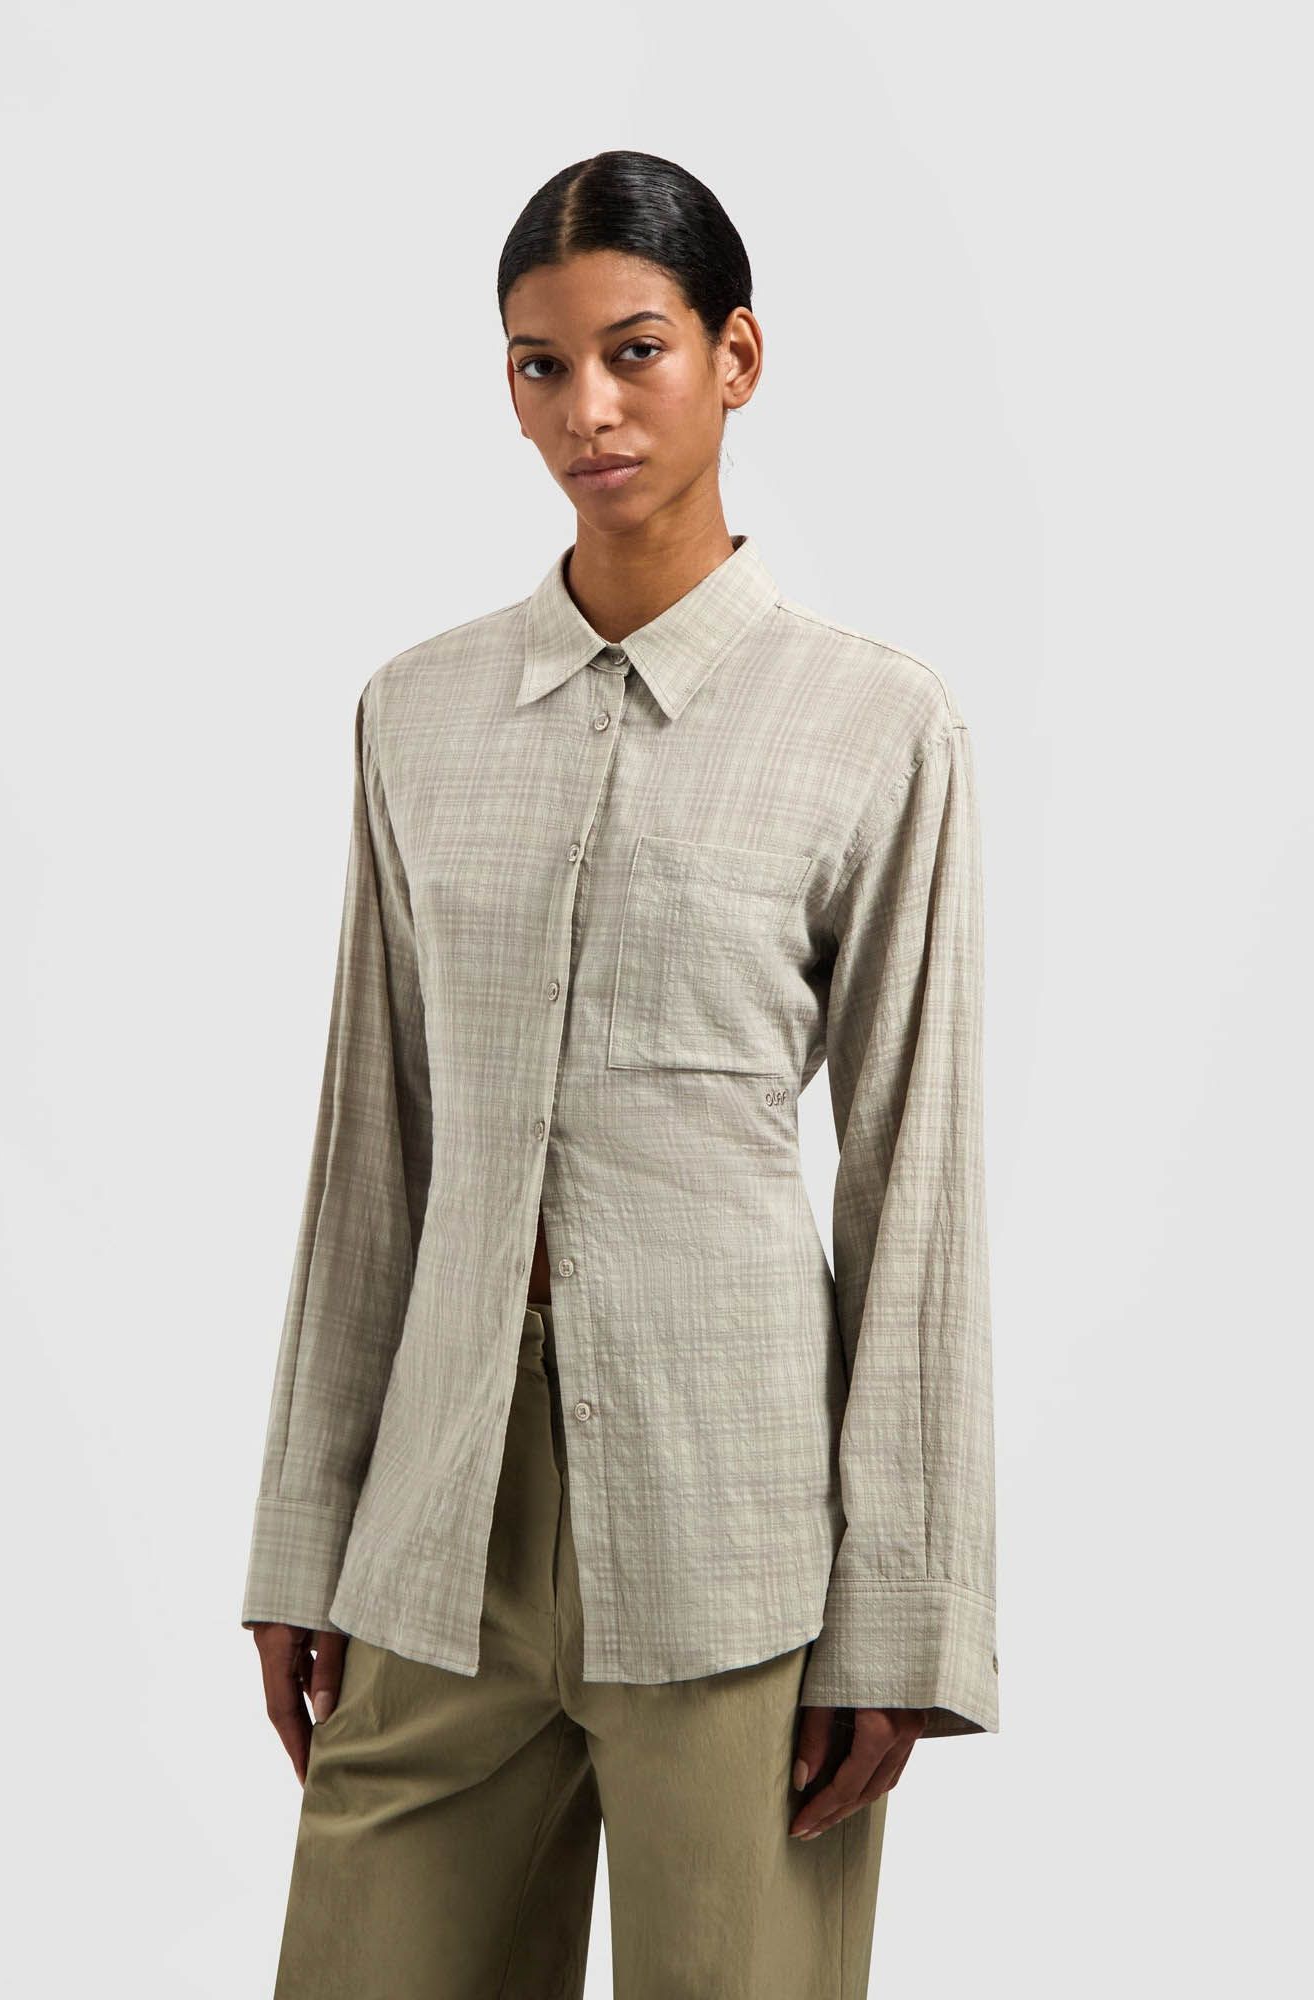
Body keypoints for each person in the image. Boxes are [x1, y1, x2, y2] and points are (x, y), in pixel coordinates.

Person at [241, 147, 999, 1998]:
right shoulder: (416, 713)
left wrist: (902, 1616)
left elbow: (915, 1181)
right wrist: (301, 1538)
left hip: (735, 1531)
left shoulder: (874, 724)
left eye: (633, 351)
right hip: (437, 1528)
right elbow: (370, 1152)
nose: (587, 408)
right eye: (541, 364)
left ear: (735, 357)